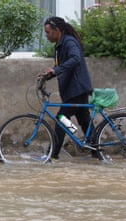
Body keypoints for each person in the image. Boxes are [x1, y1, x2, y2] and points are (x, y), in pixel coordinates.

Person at [39, 16, 94, 160]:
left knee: (61, 119)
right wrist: (49, 74)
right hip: (74, 89)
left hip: (77, 88)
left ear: (57, 30)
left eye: (48, 32)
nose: (47, 35)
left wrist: (56, 70)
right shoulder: (59, 45)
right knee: (84, 121)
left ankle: (52, 154)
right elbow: (60, 66)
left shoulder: (69, 42)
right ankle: (96, 152)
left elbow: (75, 59)